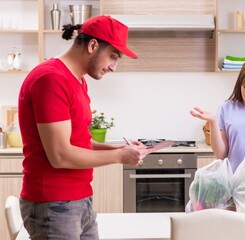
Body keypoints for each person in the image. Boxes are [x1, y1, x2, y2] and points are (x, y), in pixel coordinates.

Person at [18, 15, 154, 239]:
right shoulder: (51, 79)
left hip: (79, 200)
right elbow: (60, 155)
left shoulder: (77, 81)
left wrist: (117, 149)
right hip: (54, 204)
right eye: (113, 56)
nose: (114, 67)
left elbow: (79, 142)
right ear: (93, 45)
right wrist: (120, 156)